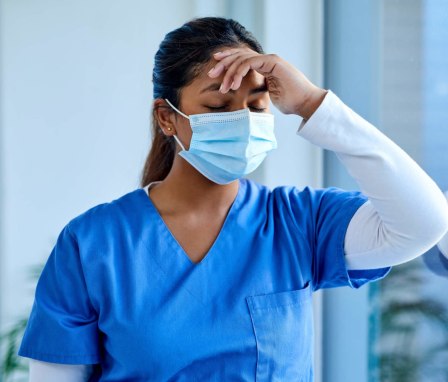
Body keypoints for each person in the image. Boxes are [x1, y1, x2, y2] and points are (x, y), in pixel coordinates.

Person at [17, 17, 448, 381]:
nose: (242, 121)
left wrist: (311, 103)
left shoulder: (299, 221)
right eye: (219, 107)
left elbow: (425, 221)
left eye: (257, 104)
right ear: (168, 118)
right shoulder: (92, 244)